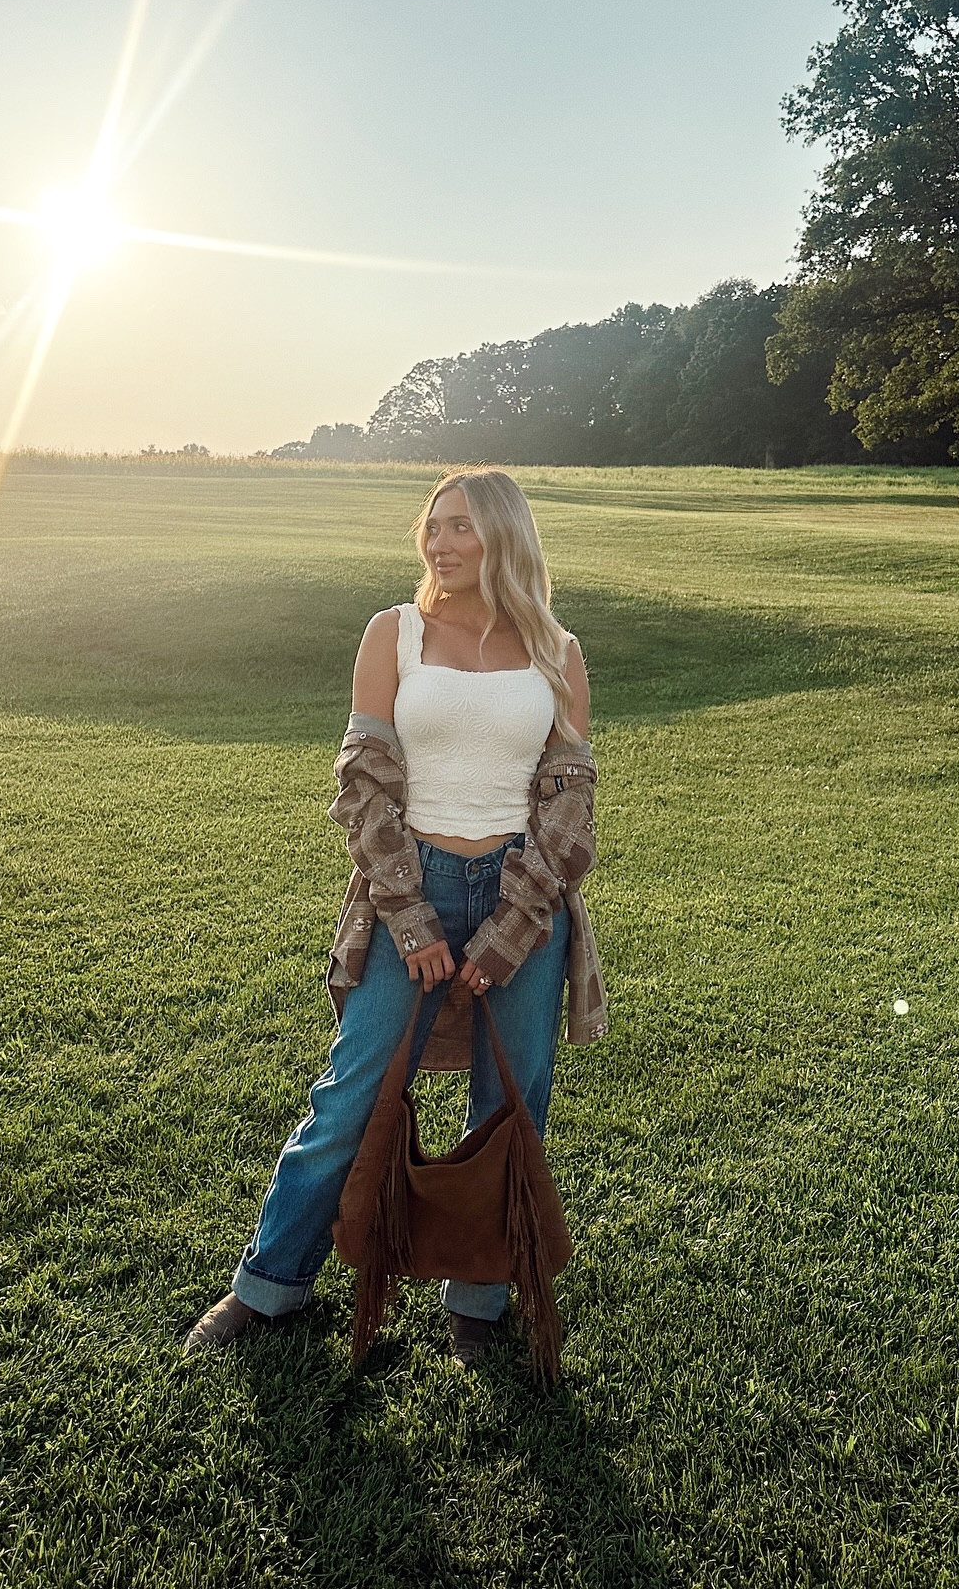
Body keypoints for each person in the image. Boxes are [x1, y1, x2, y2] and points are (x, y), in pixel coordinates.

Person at [185, 467, 607, 1367]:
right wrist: (413, 920)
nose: (441, 544)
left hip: (520, 895)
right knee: (353, 1093)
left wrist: (508, 932)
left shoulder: (556, 651)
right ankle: (268, 1286)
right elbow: (362, 786)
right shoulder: (395, 633)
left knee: (512, 1104)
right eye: (432, 527)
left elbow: (570, 806)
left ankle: (478, 1306)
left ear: (506, 536)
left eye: (462, 528)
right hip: (406, 883)